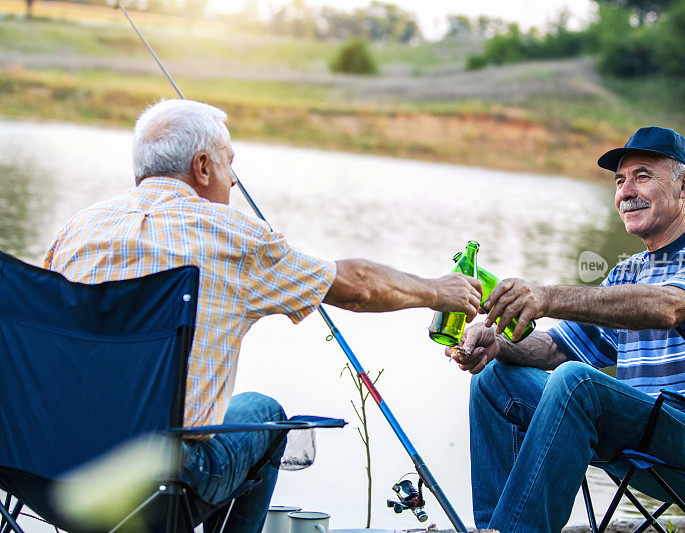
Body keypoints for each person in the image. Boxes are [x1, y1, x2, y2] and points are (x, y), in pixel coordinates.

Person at [44, 98, 482, 532]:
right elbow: (359, 287)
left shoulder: (75, 232)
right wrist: (436, 291)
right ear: (202, 168)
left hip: (47, 468)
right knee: (263, 411)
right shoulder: (233, 237)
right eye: (228, 163)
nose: (233, 181)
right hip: (159, 481)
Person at [449, 126, 685, 532]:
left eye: (643, 176)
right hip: (649, 438)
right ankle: (494, 529)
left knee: (577, 384)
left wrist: (546, 297)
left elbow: (668, 307)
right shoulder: (628, 272)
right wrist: (495, 342)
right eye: (620, 181)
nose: (626, 192)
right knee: (495, 380)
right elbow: (557, 349)